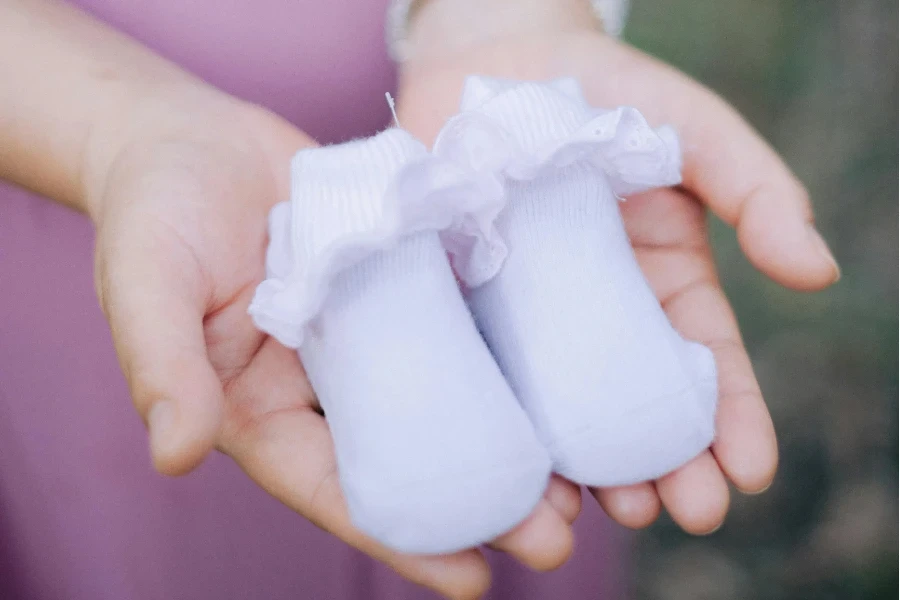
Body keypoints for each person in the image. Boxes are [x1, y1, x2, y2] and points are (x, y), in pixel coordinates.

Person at [0, 1, 840, 599]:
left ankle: (495, 254)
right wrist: (109, 131)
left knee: (524, 473)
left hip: (430, 83)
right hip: (80, 166)